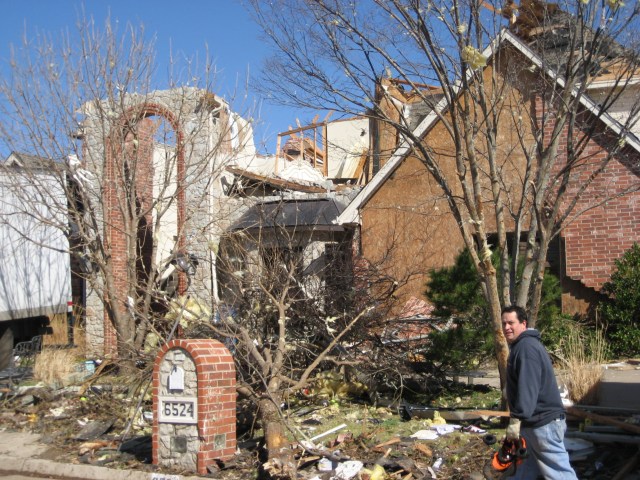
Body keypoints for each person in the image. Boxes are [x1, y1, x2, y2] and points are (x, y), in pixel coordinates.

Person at [501, 305, 577, 479]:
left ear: (523, 323)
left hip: (543, 424)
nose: (507, 328)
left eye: (511, 323)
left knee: (559, 472)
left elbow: (528, 386)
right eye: (504, 323)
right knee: (524, 471)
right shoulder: (522, 346)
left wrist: (517, 419)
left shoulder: (526, 348)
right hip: (534, 424)